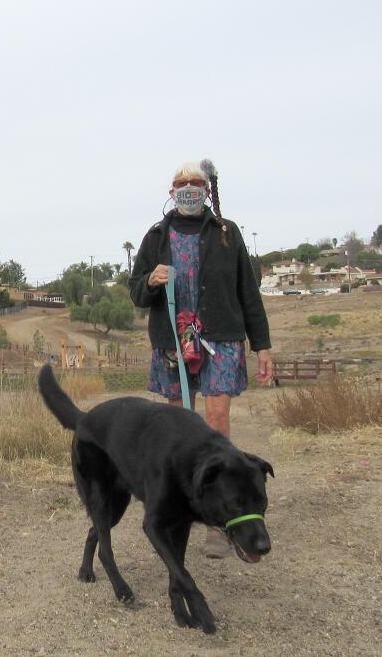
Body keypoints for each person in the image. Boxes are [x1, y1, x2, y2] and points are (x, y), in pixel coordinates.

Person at [128, 160, 275, 557]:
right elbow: (136, 292)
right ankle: (179, 505)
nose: (189, 188)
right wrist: (150, 282)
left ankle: (221, 518)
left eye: (196, 182)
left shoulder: (227, 233)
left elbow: (248, 290)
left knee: (216, 421)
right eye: (181, 183)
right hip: (173, 341)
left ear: (208, 189)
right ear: (171, 189)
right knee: (178, 428)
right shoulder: (156, 235)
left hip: (221, 339)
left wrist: (262, 346)